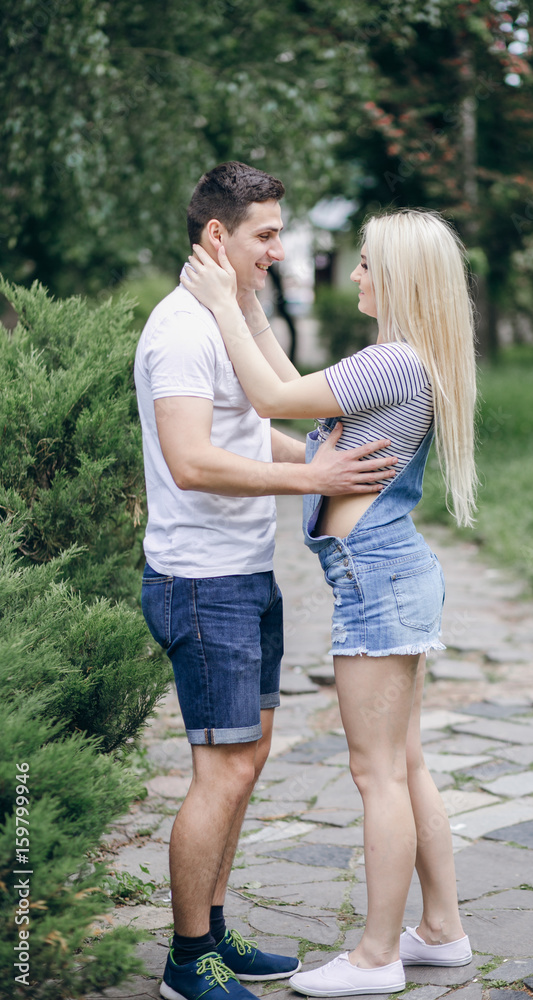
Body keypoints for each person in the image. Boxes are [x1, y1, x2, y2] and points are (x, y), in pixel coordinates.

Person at [181, 207, 478, 997]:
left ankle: (377, 957)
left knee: (376, 772)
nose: (354, 274)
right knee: (404, 764)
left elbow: (271, 396)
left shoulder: (393, 365)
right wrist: (248, 307)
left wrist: (221, 305)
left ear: (401, 278)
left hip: (375, 582)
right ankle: (440, 931)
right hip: (387, 575)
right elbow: (299, 398)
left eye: (367, 263)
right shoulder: (399, 361)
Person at [134, 161, 398, 1000]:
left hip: (245, 574)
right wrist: (312, 479)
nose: (279, 250)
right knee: (221, 772)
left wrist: (320, 458)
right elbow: (191, 460)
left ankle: (212, 932)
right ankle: (187, 960)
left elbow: (249, 435)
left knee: (244, 765)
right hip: (201, 582)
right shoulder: (181, 330)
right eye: (266, 235)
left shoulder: (225, 319)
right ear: (217, 234)